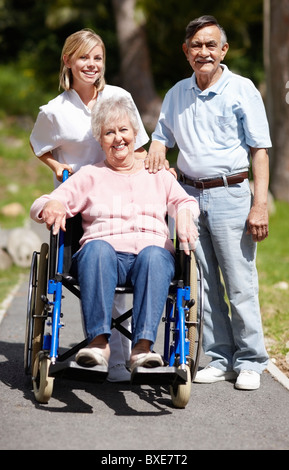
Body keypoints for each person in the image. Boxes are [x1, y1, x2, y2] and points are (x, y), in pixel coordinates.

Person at [30, 96, 200, 373]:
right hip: (103, 258)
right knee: (97, 249)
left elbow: (186, 203)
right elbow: (44, 203)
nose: (118, 138)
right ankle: (98, 345)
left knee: (155, 255)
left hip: (151, 257)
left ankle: (142, 349)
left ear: (135, 135)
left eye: (124, 130)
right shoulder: (89, 176)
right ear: (100, 140)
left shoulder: (158, 174)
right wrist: (52, 205)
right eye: (109, 132)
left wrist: (183, 214)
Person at [147, 15, 271, 390]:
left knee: (238, 281)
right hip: (188, 197)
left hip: (231, 194)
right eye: (196, 46)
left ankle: (251, 360)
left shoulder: (242, 89)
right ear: (186, 52)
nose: (204, 52)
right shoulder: (176, 94)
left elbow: (260, 150)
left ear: (223, 50)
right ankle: (220, 357)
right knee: (203, 284)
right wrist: (156, 145)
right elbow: (160, 137)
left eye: (210, 45)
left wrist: (259, 204)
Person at [30, 29, 149, 382]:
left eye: (97, 58)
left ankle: (120, 359)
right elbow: (40, 146)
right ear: (68, 60)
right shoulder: (54, 111)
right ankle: (99, 350)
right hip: (76, 200)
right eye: (84, 57)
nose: (92, 65)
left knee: (122, 269)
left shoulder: (120, 96)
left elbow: (137, 144)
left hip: (119, 196)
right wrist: (56, 167)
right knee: (94, 273)